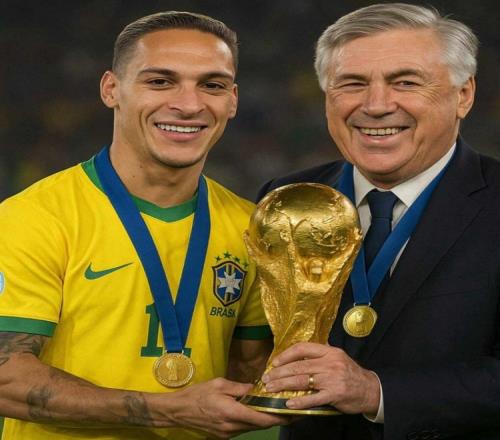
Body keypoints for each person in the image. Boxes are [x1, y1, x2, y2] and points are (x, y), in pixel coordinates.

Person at [0, 11, 286, 440]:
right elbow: (6, 376)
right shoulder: (36, 217)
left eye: (212, 85)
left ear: (233, 100)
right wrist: (166, 410)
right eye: (160, 81)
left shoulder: (252, 228)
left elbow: (248, 368)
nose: (189, 104)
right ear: (111, 89)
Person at [258, 3, 500, 439]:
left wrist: (377, 392)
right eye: (352, 83)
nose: (376, 105)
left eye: (405, 82)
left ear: (463, 95)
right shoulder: (285, 198)